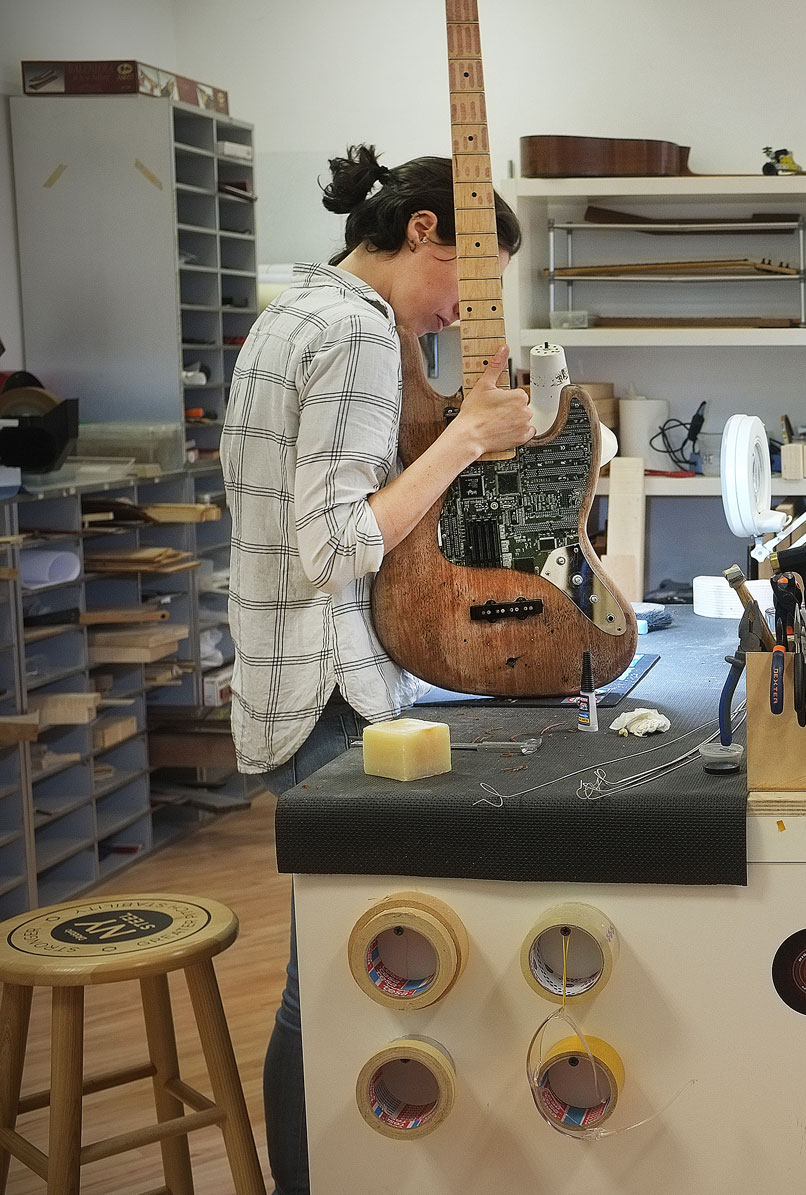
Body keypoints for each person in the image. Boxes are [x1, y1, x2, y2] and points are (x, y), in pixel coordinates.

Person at [221, 144, 533, 1194]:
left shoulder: (297, 308)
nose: (465, 312)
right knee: (342, 980)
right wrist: (465, 441)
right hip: (329, 689)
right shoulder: (358, 333)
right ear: (425, 231)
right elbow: (333, 543)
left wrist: (455, 424)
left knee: (336, 964)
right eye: (472, 287)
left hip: (278, 675)